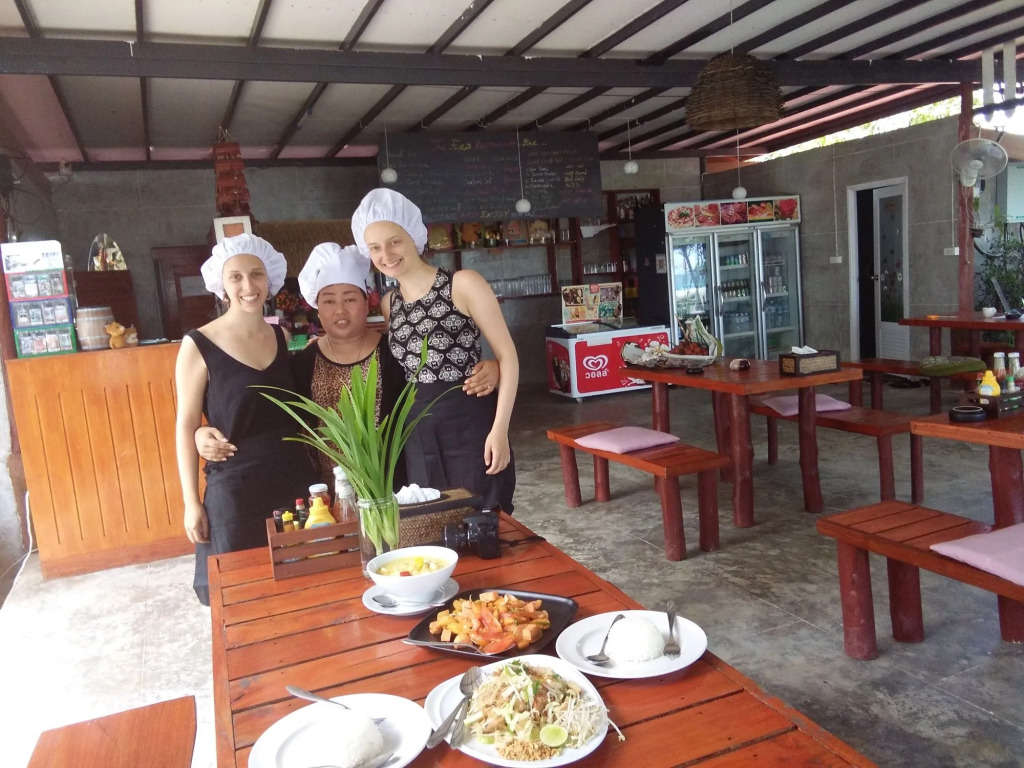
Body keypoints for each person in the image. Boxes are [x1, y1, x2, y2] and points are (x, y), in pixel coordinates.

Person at [195, 243, 499, 487]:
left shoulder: (395, 353)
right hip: (322, 495)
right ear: (317, 309)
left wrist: (494, 367)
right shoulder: (302, 363)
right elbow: (266, 411)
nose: (340, 310)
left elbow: (438, 376)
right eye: (328, 301)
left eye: (350, 299)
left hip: (398, 487)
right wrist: (202, 432)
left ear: (367, 303)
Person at [351, 188, 519, 513]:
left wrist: (500, 430)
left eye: (394, 241)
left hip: (469, 419)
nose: (386, 254)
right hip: (418, 429)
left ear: (413, 238)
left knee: (483, 515)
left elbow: (508, 357)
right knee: (431, 519)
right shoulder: (390, 303)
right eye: (375, 247)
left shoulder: (463, 284)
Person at [174, 233, 318, 606]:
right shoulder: (198, 344)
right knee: (242, 597)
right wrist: (191, 502)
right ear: (221, 285)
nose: (248, 286)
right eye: (235, 277)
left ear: (269, 280)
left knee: (301, 590)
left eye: (256, 274)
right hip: (235, 489)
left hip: (291, 479)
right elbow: (185, 425)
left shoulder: (281, 336)